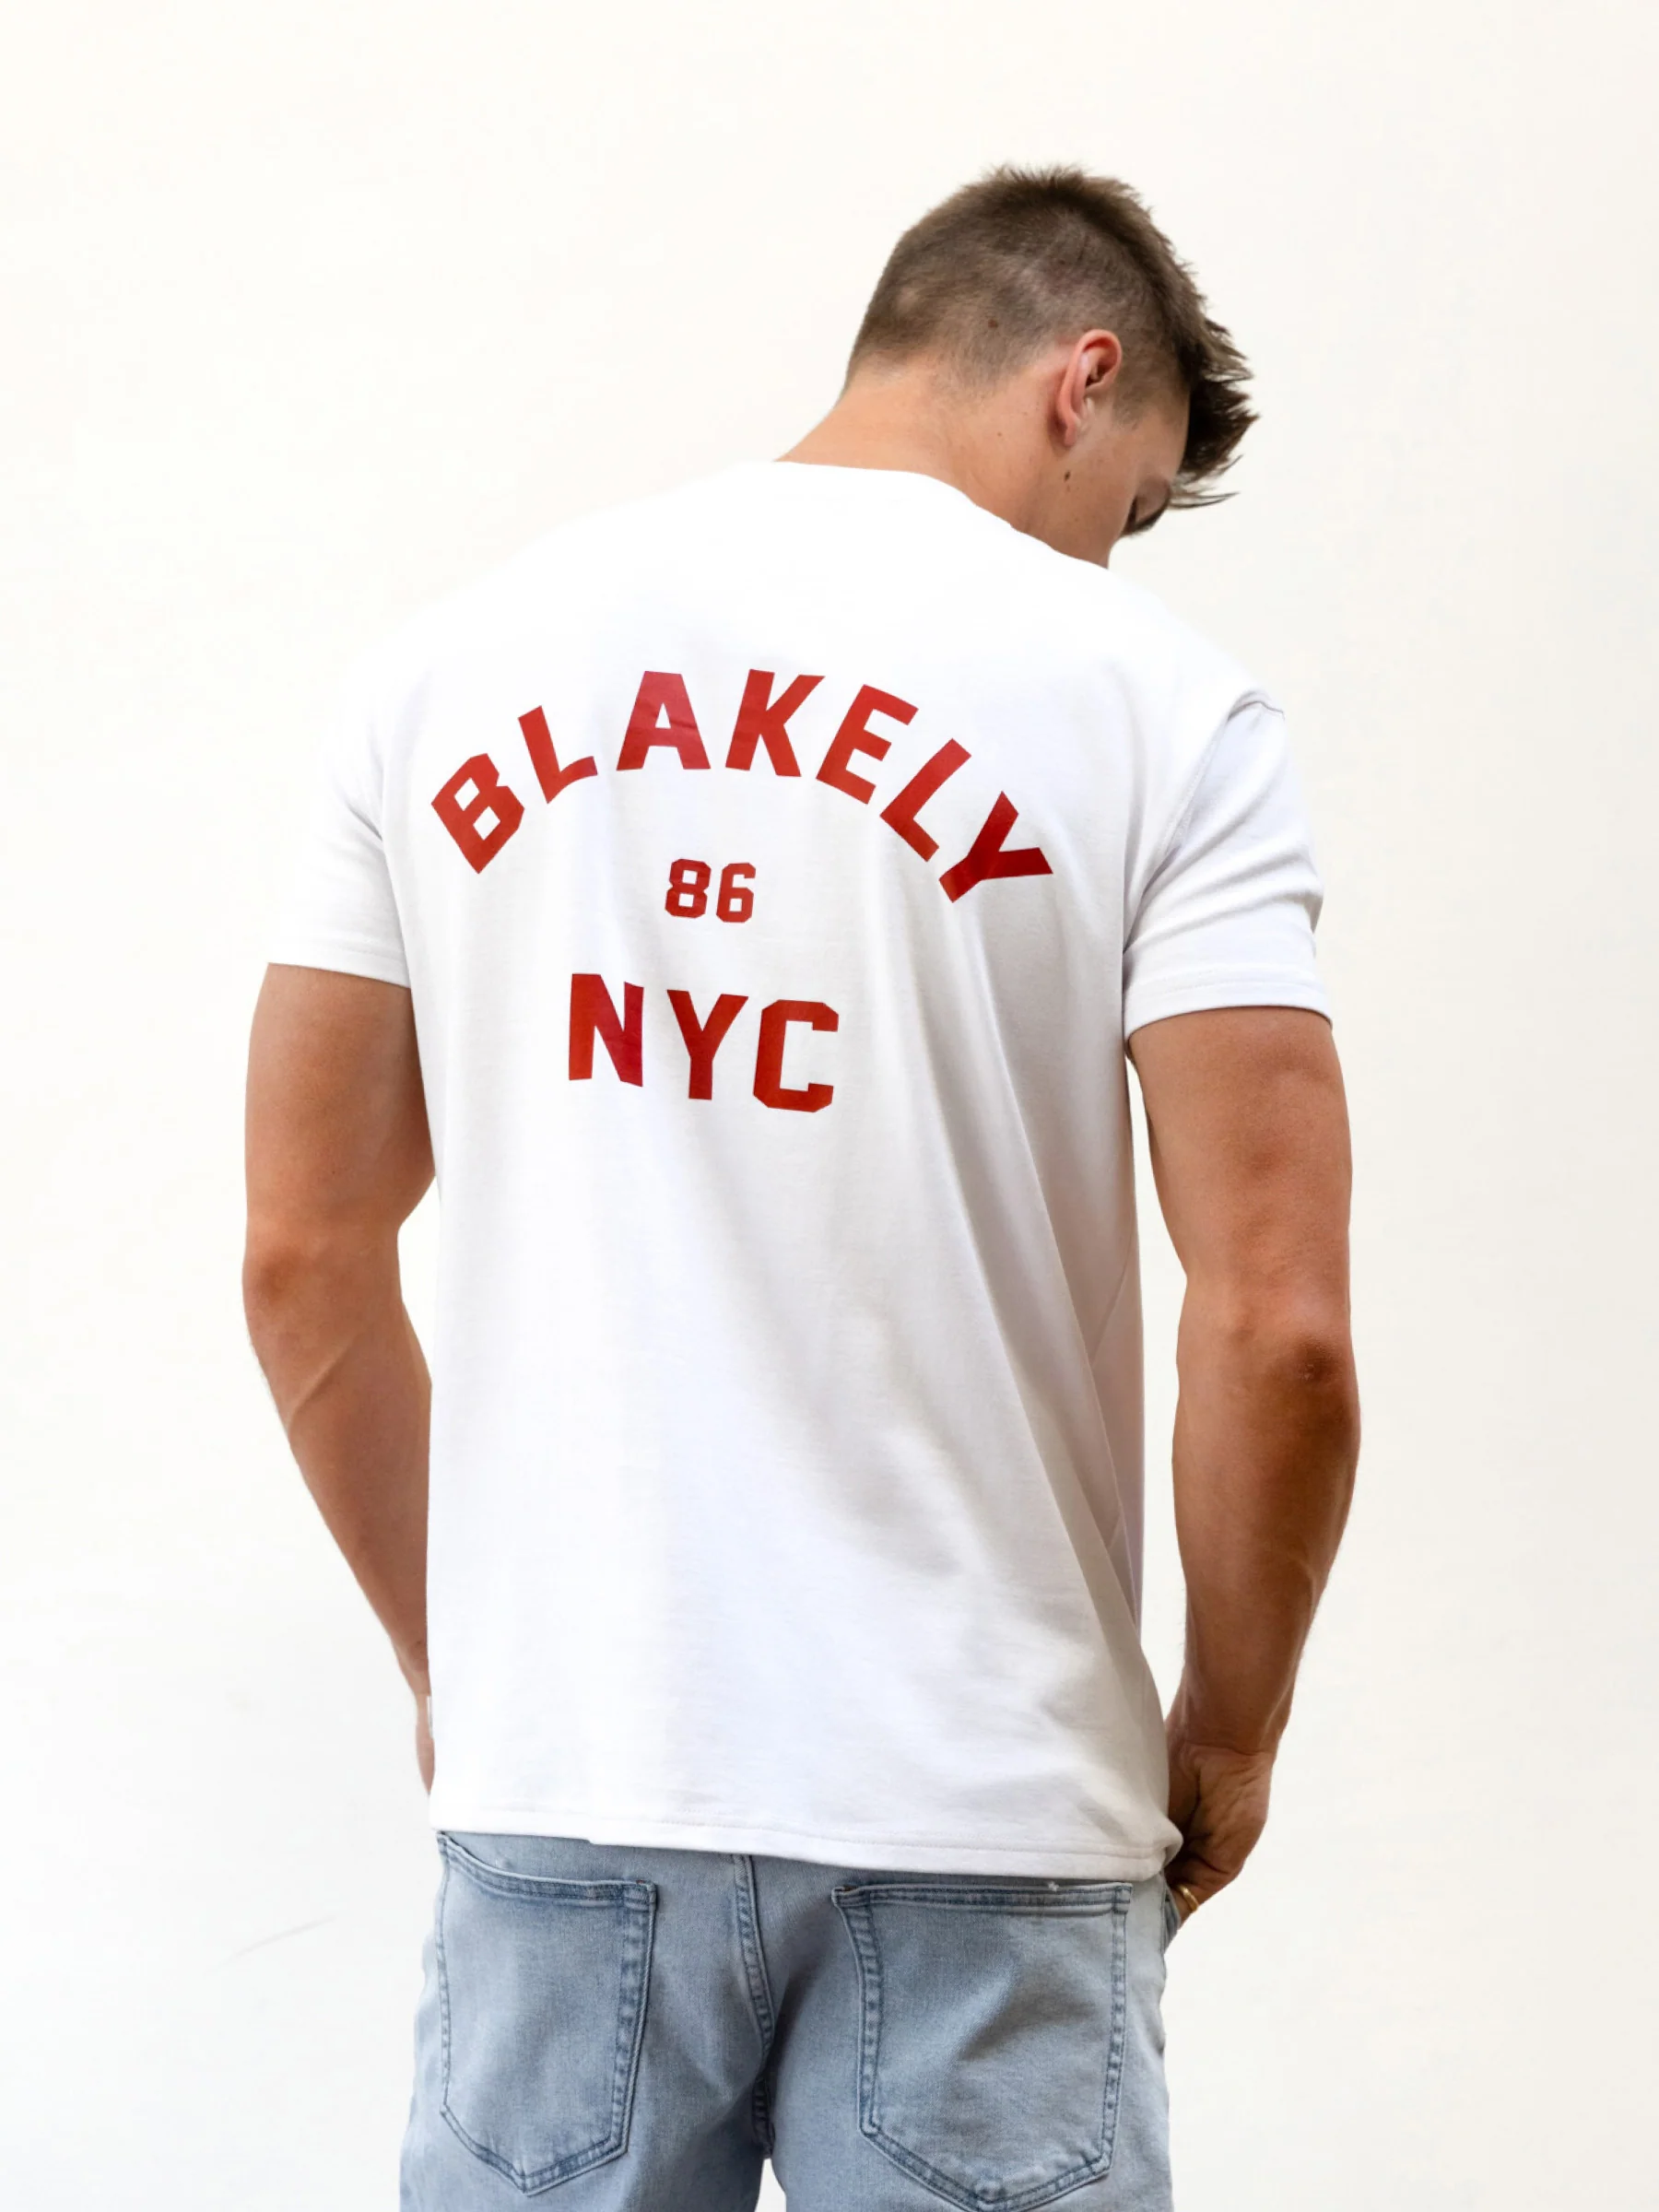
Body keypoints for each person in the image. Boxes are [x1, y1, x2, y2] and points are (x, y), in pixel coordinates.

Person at [243, 166, 1359, 2212]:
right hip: (989, 1801)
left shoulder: (440, 674)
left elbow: (305, 1254)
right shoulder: (1165, 714)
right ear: (1081, 382)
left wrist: (464, 1664)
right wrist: (1232, 1729)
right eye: (1129, 502)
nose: (1107, 557)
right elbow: (1277, 1320)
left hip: (575, 1776)